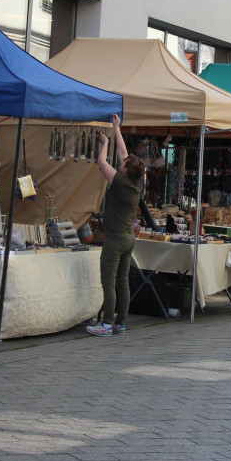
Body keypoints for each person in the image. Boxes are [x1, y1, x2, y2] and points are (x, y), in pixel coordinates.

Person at [87, 114, 144, 337]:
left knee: (108, 281)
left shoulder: (120, 182)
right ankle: (120, 323)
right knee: (122, 280)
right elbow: (123, 154)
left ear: (125, 170)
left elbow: (102, 164)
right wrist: (116, 128)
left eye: (124, 165)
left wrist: (104, 144)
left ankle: (106, 324)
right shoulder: (136, 181)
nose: (122, 163)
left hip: (115, 237)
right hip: (128, 237)